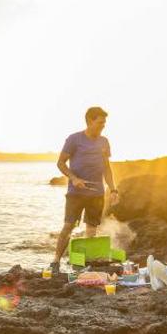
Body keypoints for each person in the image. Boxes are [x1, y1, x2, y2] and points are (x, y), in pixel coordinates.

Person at [51, 106, 118, 273]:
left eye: (104, 122)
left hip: (97, 194)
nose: (103, 125)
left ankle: (86, 264)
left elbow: (107, 168)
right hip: (76, 193)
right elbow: (60, 163)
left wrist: (113, 189)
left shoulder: (104, 142)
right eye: (100, 122)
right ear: (90, 121)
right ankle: (55, 262)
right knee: (68, 226)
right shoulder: (74, 139)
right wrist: (74, 179)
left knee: (92, 230)